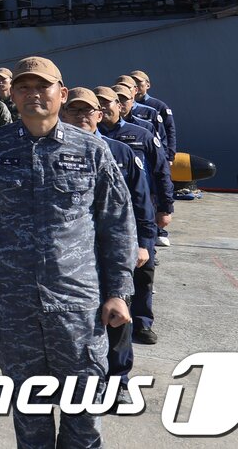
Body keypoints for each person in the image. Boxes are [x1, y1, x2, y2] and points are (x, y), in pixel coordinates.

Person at [0, 56, 135, 449]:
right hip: (15, 301)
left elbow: (116, 222)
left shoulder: (92, 150)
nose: (33, 94)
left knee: (83, 409)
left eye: (42, 86)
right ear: (13, 94)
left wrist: (119, 291)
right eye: (24, 87)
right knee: (28, 407)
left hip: (78, 303)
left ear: (61, 92)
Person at [64, 87, 155, 393]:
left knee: (117, 317)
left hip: (115, 250)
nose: (81, 117)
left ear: (99, 116)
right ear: (63, 114)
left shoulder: (122, 153)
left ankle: (119, 384)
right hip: (73, 256)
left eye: (87, 111)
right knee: (75, 323)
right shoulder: (53, 153)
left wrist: (144, 242)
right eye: (74, 111)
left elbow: (141, 202)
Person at [97, 85, 172, 345]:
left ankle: (142, 323)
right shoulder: (86, 141)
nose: (105, 107)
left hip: (138, 217)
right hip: (104, 224)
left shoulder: (139, 135)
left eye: (110, 102)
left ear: (120, 105)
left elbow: (161, 171)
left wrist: (165, 208)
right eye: (99, 103)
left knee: (143, 274)